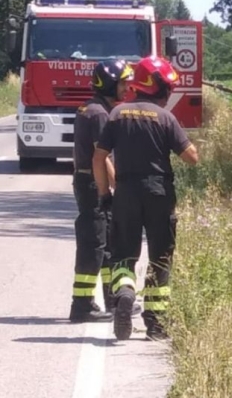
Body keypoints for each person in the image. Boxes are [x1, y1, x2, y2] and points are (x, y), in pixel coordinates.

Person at [92, 55, 199, 341]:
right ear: (158, 88)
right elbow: (192, 158)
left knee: (123, 255)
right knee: (160, 258)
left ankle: (125, 291)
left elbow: (98, 158)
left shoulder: (116, 114)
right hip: (159, 193)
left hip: (126, 192)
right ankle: (155, 325)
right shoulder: (166, 117)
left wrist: (105, 194)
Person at [69, 59, 129, 322]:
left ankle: (113, 302)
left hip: (87, 181)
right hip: (94, 183)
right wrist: (117, 185)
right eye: (123, 83)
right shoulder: (100, 114)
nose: (127, 88)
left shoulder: (90, 109)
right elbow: (102, 156)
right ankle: (82, 306)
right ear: (110, 84)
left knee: (105, 245)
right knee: (93, 245)